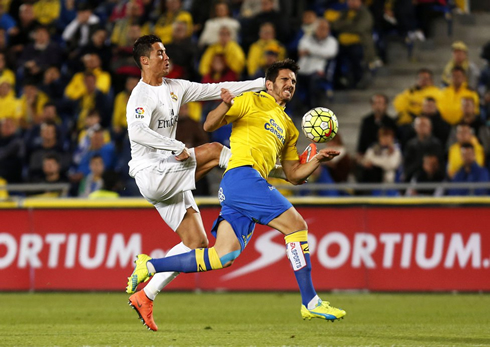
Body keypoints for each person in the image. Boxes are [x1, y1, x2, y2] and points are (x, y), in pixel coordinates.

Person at [126, 59, 346, 326]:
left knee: (223, 256)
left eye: (294, 82)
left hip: (246, 186)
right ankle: (310, 301)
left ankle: (150, 266)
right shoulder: (252, 101)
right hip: (242, 177)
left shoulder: (289, 128)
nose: (290, 85)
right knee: (296, 225)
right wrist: (225, 104)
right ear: (269, 84)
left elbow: (293, 175)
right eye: (285, 80)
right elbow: (209, 125)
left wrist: (316, 161)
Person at [124, 34, 267, 331]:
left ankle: (146, 294)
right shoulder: (140, 96)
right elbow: (137, 132)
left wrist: (260, 84)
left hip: (168, 175)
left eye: (166, 52)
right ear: (144, 60)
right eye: (160, 53)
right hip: (152, 174)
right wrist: (174, 146)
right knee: (215, 152)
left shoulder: (176, 87)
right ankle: (263, 175)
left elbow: (217, 89)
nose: (166, 57)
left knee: (198, 244)